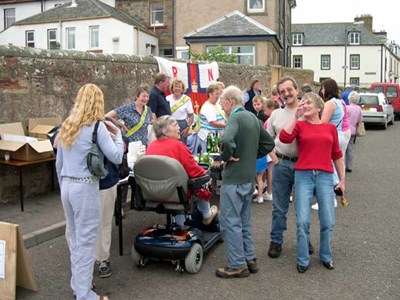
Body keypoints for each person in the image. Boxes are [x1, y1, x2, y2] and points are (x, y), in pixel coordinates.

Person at [56, 83, 124, 300]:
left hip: (67, 184)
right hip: (85, 186)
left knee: (76, 240)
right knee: (86, 242)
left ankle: (78, 286)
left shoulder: (68, 125)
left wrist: (63, 186)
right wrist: (119, 135)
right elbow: (116, 157)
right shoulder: (96, 127)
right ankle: (84, 294)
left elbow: (59, 163)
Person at [279, 92, 345, 273]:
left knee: (328, 220)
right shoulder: (300, 126)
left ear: (318, 108)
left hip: (325, 176)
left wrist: (342, 180)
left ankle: (326, 255)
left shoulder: (329, 128)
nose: (305, 105)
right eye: (303, 102)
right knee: (302, 220)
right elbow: (284, 138)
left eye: (309, 103)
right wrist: (295, 116)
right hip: (303, 176)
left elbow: (337, 155)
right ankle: (302, 259)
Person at [215, 85, 275, 279]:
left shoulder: (234, 117)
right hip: (248, 176)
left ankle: (237, 264)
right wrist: (250, 156)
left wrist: (227, 156)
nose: (222, 106)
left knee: (230, 222)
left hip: (234, 177)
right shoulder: (251, 116)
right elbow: (268, 143)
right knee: (244, 220)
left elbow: (227, 140)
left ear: (230, 102)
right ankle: (249, 258)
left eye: (223, 102)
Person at [266, 76, 314, 259]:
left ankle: (305, 240)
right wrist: (274, 158)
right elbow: (266, 139)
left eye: (289, 89)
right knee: (279, 207)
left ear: (297, 90)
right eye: (282, 91)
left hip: (304, 165)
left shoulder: (308, 112)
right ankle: (276, 241)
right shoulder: (276, 115)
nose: (286, 93)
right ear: (279, 95)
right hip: (282, 164)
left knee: (303, 207)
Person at [145, 115, 218, 225]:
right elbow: (194, 170)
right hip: (177, 193)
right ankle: (206, 214)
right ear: (165, 131)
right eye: (175, 125)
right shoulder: (178, 146)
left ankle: (180, 224)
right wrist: (206, 175)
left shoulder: (151, 147)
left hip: (154, 192)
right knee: (201, 181)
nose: (179, 128)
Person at [105, 86, 153, 215]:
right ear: (137, 96)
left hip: (142, 147)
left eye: (147, 96)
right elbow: (107, 117)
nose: (145, 99)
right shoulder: (127, 108)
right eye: (143, 96)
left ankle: (138, 201)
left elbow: (152, 121)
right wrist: (121, 126)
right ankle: (120, 206)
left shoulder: (148, 111)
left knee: (140, 174)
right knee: (125, 176)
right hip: (129, 146)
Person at [312, 79, 344, 210]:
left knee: (328, 169)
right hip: (338, 135)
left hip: (330, 138)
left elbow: (322, 123)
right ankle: (332, 196)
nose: (322, 90)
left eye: (323, 88)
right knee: (333, 167)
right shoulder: (339, 102)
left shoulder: (330, 103)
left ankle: (330, 197)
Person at [197, 83, 226, 153]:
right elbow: (213, 123)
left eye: (219, 94)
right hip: (209, 138)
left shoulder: (217, 105)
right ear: (210, 94)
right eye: (216, 94)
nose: (218, 96)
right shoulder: (207, 107)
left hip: (217, 137)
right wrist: (227, 125)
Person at [166, 78, 194, 145]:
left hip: (182, 125)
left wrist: (187, 128)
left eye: (179, 87)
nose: (177, 88)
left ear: (182, 89)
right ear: (172, 88)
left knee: (181, 145)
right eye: (175, 86)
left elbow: (191, 116)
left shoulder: (186, 99)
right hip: (169, 124)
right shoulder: (167, 98)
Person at [345, 91, 363, 172]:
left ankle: (341, 166)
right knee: (350, 148)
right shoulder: (359, 109)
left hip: (346, 130)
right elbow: (360, 120)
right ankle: (349, 166)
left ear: (349, 98)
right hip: (354, 131)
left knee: (343, 148)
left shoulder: (347, 108)